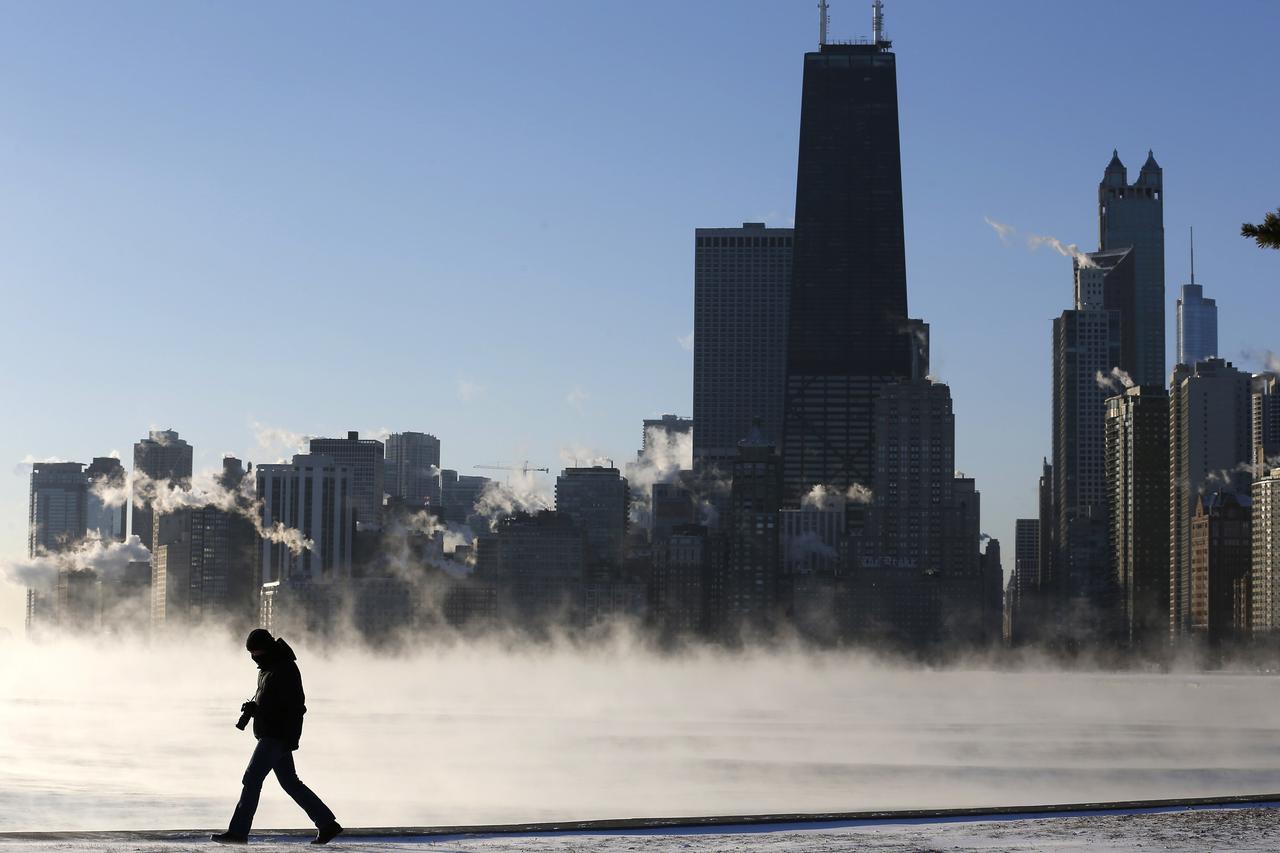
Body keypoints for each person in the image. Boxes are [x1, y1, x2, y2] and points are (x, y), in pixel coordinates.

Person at [212, 629, 343, 846]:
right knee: (290, 783)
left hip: (277, 735)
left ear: (266, 648)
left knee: (252, 778)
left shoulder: (284, 668)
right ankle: (327, 824)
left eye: (255, 651)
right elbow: (271, 701)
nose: (253, 656)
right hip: (271, 733)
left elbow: (294, 707)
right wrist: (256, 708)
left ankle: (238, 832)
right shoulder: (268, 667)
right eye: (251, 653)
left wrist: (260, 712)